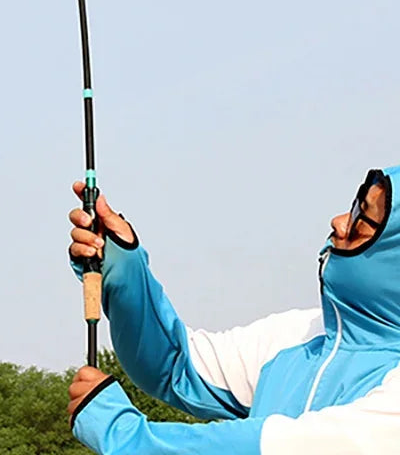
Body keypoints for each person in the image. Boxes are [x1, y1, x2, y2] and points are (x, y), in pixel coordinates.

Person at [66, 164, 400, 453]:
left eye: (363, 220)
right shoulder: (298, 334)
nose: (339, 221)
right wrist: (122, 266)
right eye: (353, 207)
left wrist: (125, 436)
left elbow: (265, 447)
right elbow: (174, 365)